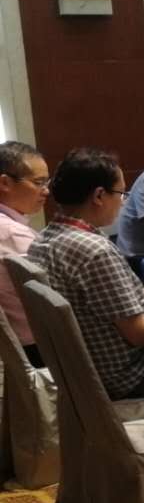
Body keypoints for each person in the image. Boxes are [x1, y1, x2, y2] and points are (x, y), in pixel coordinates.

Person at [30, 148, 144, 400]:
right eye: (121, 193)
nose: (123, 202)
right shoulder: (94, 250)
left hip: (89, 371)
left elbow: (86, 305)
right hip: (132, 375)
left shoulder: (43, 240)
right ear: (99, 195)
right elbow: (139, 333)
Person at [0, 141, 49, 365]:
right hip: (37, 348)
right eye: (38, 183)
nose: (46, 191)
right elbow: (61, 298)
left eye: (47, 182)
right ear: (5, 183)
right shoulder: (12, 233)